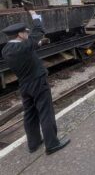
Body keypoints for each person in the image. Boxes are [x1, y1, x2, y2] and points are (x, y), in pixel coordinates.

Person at [1, 10, 70, 155]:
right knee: (46, 112)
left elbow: (28, 49)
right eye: (25, 32)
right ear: (20, 35)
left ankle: (33, 143)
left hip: (24, 85)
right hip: (38, 83)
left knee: (30, 114)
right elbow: (39, 30)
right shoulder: (24, 45)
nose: (27, 34)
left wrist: (36, 43)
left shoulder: (7, 50)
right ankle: (52, 144)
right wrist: (35, 16)